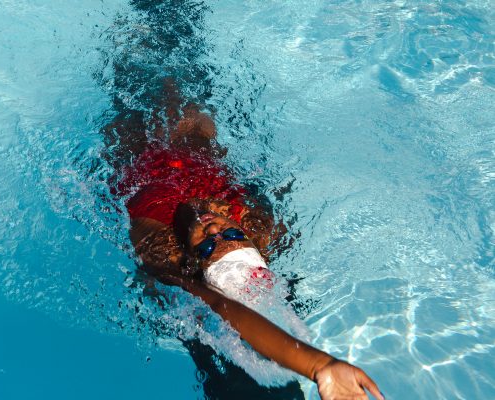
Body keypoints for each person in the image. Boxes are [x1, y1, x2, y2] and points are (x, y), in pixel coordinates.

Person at [105, 78, 384, 400]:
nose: (213, 230)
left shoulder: (163, 257)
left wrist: (319, 365)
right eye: (232, 234)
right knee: (184, 95)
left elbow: (223, 305)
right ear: (249, 240)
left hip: (142, 165)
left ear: (195, 259)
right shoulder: (260, 228)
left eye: (209, 246)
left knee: (135, 88)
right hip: (200, 154)